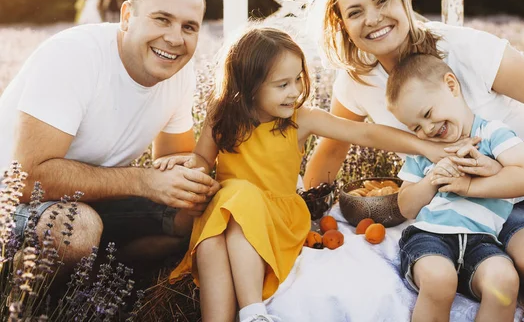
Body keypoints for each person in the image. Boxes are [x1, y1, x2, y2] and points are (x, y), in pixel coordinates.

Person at [303, 0, 524, 304]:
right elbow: (333, 148)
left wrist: (510, 169)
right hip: (498, 208)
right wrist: (308, 214)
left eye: (382, 0)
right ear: (343, 26)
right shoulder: (357, 83)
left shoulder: (460, 46)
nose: (373, 18)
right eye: (355, 12)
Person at [155, 26, 455, 322]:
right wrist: (186, 164)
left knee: (238, 197)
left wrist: (422, 146)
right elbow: (202, 159)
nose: (296, 92)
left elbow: (365, 132)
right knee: (212, 238)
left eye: (298, 79)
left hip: (276, 220)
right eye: (282, 84)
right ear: (248, 86)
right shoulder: (221, 116)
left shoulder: (301, 120)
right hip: (227, 213)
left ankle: (251, 312)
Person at [0, 0, 218, 271]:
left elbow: (174, 160)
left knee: (192, 217)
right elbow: (27, 180)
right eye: (162, 19)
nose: (174, 38)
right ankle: (23, 299)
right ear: (127, 16)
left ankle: (96, 277)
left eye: (189, 27)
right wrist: (143, 180)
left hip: (93, 200)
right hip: (11, 202)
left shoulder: (178, 73)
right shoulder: (74, 56)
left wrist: (197, 176)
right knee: (75, 228)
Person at [387, 54, 524, 321]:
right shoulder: (426, 152)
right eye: (416, 127)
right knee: (439, 279)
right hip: (430, 235)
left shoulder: (493, 134)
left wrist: (469, 184)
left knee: (503, 282)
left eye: (427, 114)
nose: (428, 129)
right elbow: (406, 205)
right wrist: (431, 179)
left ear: (451, 86)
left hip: (481, 240)